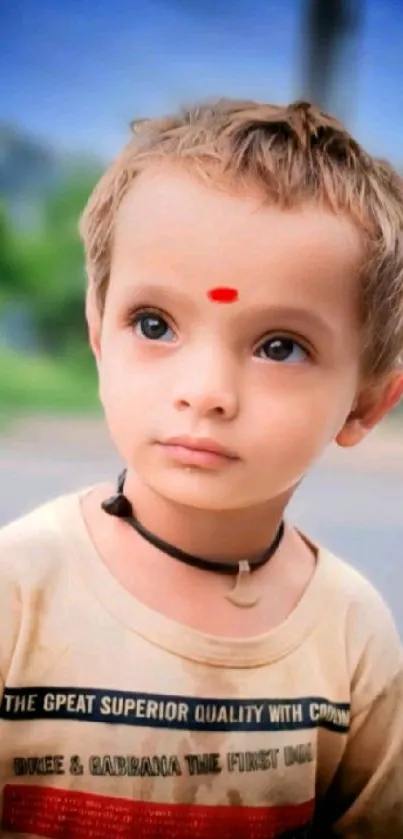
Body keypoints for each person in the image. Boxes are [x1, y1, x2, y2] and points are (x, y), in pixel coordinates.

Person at [1, 98, 403, 839]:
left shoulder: (350, 635)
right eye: (153, 325)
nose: (206, 392)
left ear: (368, 402)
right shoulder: (17, 589)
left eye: (279, 345)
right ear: (97, 338)